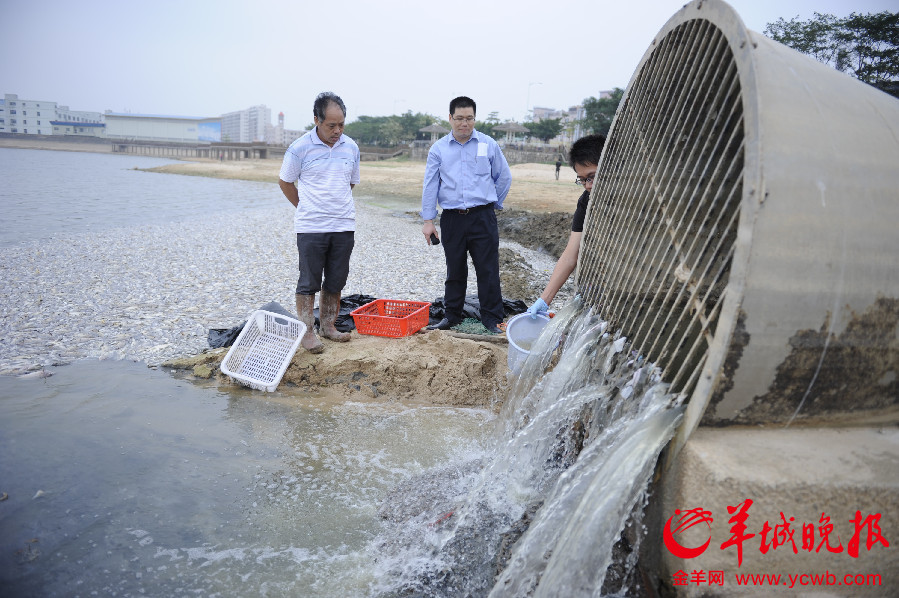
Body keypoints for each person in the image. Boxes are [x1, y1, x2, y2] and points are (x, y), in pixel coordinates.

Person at [421, 96, 512, 334]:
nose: (465, 123)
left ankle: (492, 319)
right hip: (452, 218)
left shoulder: (488, 144)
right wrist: (428, 221)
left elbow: (503, 177)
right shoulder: (438, 149)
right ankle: (451, 316)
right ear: (450, 118)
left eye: (469, 118)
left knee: (488, 270)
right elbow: (431, 185)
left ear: (474, 118)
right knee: (455, 270)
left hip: (483, 217)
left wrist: (494, 204)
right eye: (459, 118)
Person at [279, 92, 361, 353]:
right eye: (331, 125)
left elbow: (349, 183)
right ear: (316, 120)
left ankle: (328, 326)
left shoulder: (351, 147)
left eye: (341, 125)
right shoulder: (299, 147)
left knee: (336, 280)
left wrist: (335, 206)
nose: (337, 131)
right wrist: (306, 207)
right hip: (311, 227)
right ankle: (307, 333)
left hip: (343, 226)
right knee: (309, 281)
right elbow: (285, 181)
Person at [527, 134, 606, 317]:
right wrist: (544, 299)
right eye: (582, 179)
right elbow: (571, 254)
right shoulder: (586, 201)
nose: (587, 185)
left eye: (592, 177)